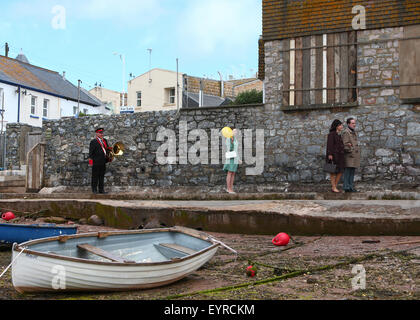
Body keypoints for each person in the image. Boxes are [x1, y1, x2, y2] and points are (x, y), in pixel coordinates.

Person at [89, 127, 111, 194]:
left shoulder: (104, 140)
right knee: (95, 176)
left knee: (101, 176)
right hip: (96, 161)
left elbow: (106, 149)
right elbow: (90, 152)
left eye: (102, 133)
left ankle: (101, 190)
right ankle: (94, 190)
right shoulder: (93, 141)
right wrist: (91, 162)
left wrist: (109, 156)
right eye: (100, 133)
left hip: (103, 161)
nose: (102, 134)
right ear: (97, 133)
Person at [342, 117, 361, 192]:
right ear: (348, 124)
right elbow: (345, 144)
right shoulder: (346, 132)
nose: (354, 125)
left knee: (352, 172)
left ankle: (350, 187)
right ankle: (347, 187)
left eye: (355, 123)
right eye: (352, 123)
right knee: (348, 172)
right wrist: (351, 149)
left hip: (354, 156)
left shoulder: (353, 132)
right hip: (349, 156)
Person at [326, 119, 345, 193]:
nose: (342, 126)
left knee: (340, 171)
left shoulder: (338, 135)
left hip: (340, 155)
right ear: (337, 126)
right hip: (333, 155)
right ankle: (334, 187)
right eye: (340, 125)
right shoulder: (331, 134)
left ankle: (334, 186)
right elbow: (330, 144)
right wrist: (330, 154)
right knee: (332, 171)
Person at [223, 128, 240, 194]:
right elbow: (229, 148)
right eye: (234, 131)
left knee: (233, 173)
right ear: (231, 132)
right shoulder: (229, 138)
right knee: (230, 172)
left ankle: (231, 188)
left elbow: (236, 150)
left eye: (236, 131)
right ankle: (228, 188)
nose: (235, 132)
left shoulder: (235, 139)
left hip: (235, 157)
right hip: (230, 157)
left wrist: (238, 159)